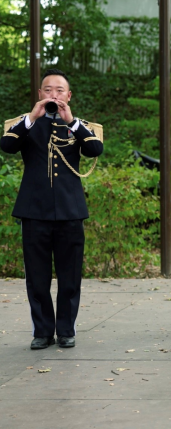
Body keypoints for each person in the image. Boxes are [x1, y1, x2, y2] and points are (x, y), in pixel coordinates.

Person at [1, 68, 104, 350]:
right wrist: (32, 117)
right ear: (39, 94)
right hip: (34, 211)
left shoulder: (81, 126)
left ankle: (66, 329)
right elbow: (7, 146)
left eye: (59, 91)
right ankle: (43, 331)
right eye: (48, 90)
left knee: (70, 276)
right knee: (37, 277)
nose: (53, 95)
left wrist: (72, 122)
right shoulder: (24, 124)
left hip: (70, 212)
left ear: (69, 96)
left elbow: (95, 150)